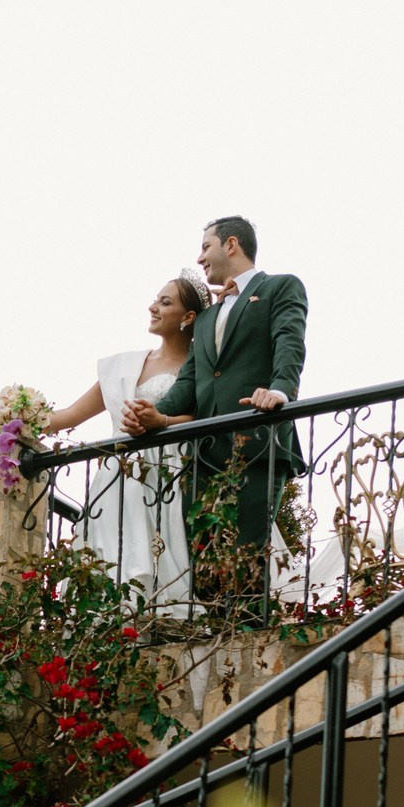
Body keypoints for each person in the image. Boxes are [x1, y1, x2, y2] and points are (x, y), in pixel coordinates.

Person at [120, 216, 308, 605]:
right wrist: (151, 414)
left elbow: (289, 341)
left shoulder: (280, 287)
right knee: (204, 563)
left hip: (258, 442)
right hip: (203, 457)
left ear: (231, 244)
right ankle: (215, 636)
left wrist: (279, 391)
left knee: (247, 556)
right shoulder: (205, 318)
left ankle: (251, 634)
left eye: (206, 246)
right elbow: (189, 382)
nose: (200, 257)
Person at [41, 276, 205, 610]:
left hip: (165, 472)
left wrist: (162, 422)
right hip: (115, 476)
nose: (153, 307)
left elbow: (200, 419)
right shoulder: (124, 366)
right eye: (156, 299)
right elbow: (70, 415)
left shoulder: (199, 367)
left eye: (165, 302)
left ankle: (151, 614)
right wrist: (18, 417)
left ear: (188, 317)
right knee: (110, 553)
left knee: (152, 552)